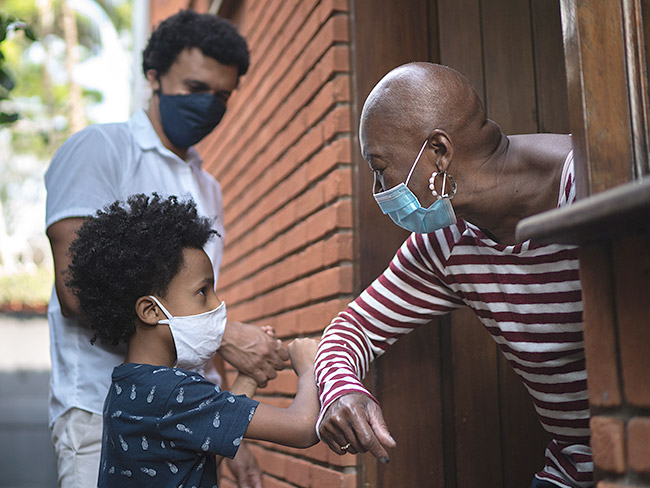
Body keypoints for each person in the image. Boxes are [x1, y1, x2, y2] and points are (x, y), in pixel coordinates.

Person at [314, 62, 592, 488]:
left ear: (438, 153)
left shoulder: (591, 183)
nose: (378, 190)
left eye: (380, 167)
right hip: (574, 471)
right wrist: (341, 388)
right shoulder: (446, 241)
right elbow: (351, 328)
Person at [44, 10, 286, 488]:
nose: (207, 105)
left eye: (221, 96)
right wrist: (225, 336)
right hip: (104, 414)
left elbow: (194, 302)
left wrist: (232, 432)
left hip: (189, 419)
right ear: (153, 76)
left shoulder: (207, 187)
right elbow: (75, 294)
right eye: (194, 87)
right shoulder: (99, 150)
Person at [64, 194, 320, 487]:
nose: (218, 304)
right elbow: (303, 429)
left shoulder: (130, 385)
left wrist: (249, 378)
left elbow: (193, 459)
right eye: (203, 292)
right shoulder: (174, 392)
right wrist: (309, 366)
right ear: (150, 310)